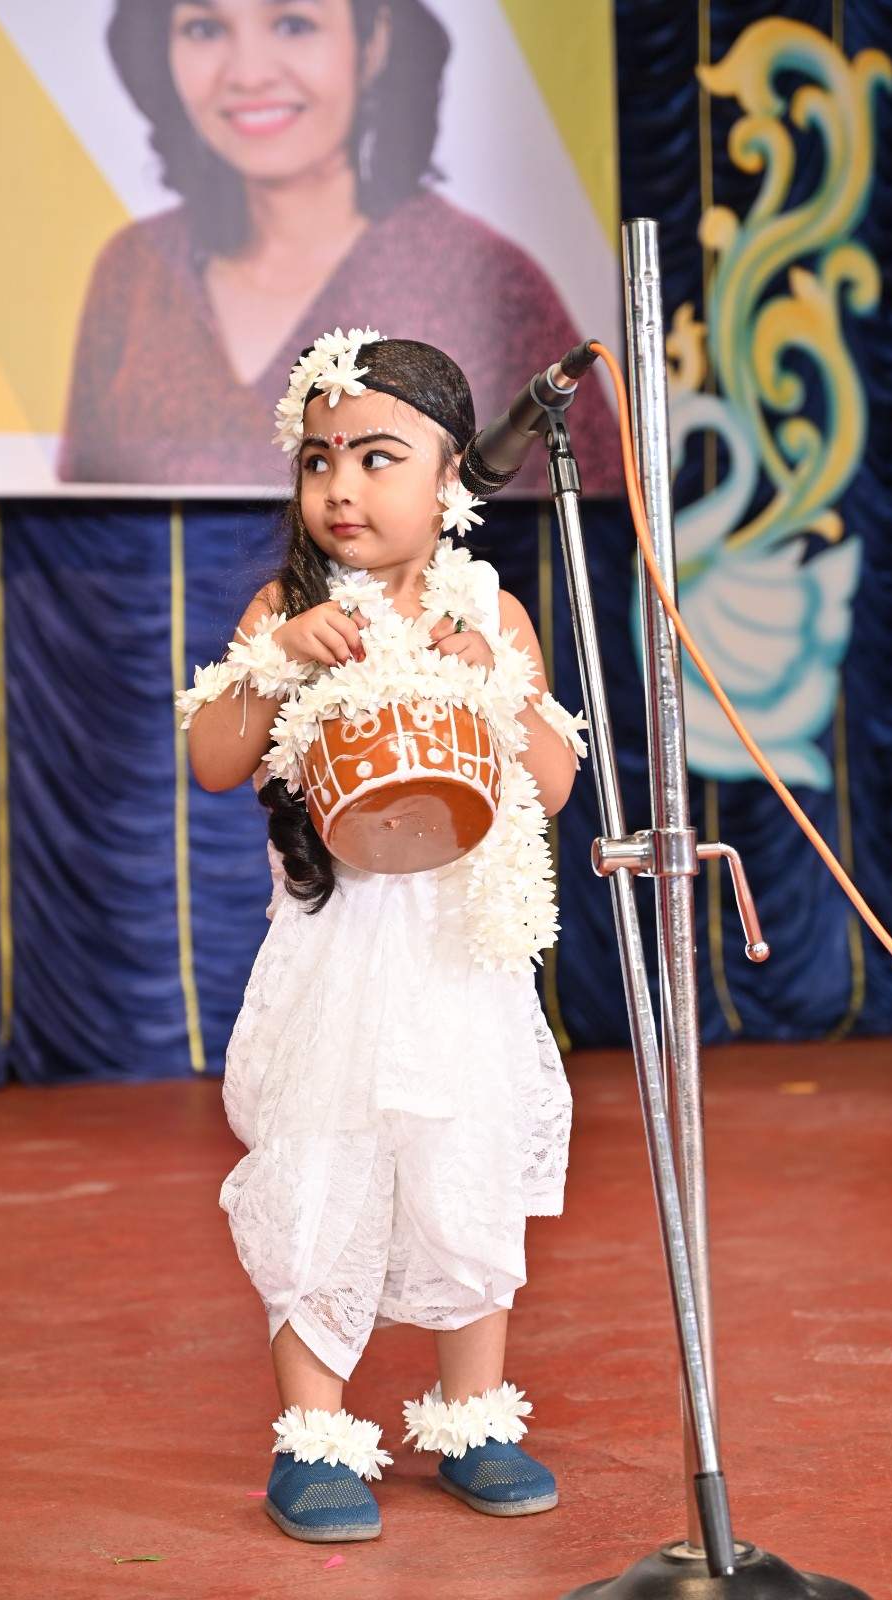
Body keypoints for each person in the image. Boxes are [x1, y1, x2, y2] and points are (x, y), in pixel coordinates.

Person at [176, 332, 587, 1542]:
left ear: (452, 477)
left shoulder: (490, 611)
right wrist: (272, 662)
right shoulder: (286, 611)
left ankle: (473, 1418)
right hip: (336, 954)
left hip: (461, 958)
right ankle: (313, 1437)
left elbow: (555, 782)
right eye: (318, 460)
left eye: (375, 457)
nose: (340, 487)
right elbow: (212, 761)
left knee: (468, 1173)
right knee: (323, 1174)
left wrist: (494, 679)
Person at [58, 0, 620, 491]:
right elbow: (77, 522)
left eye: (294, 24)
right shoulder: (135, 268)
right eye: (204, 29)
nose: (248, 74)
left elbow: (594, 530)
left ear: (373, 41)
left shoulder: (490, 279)